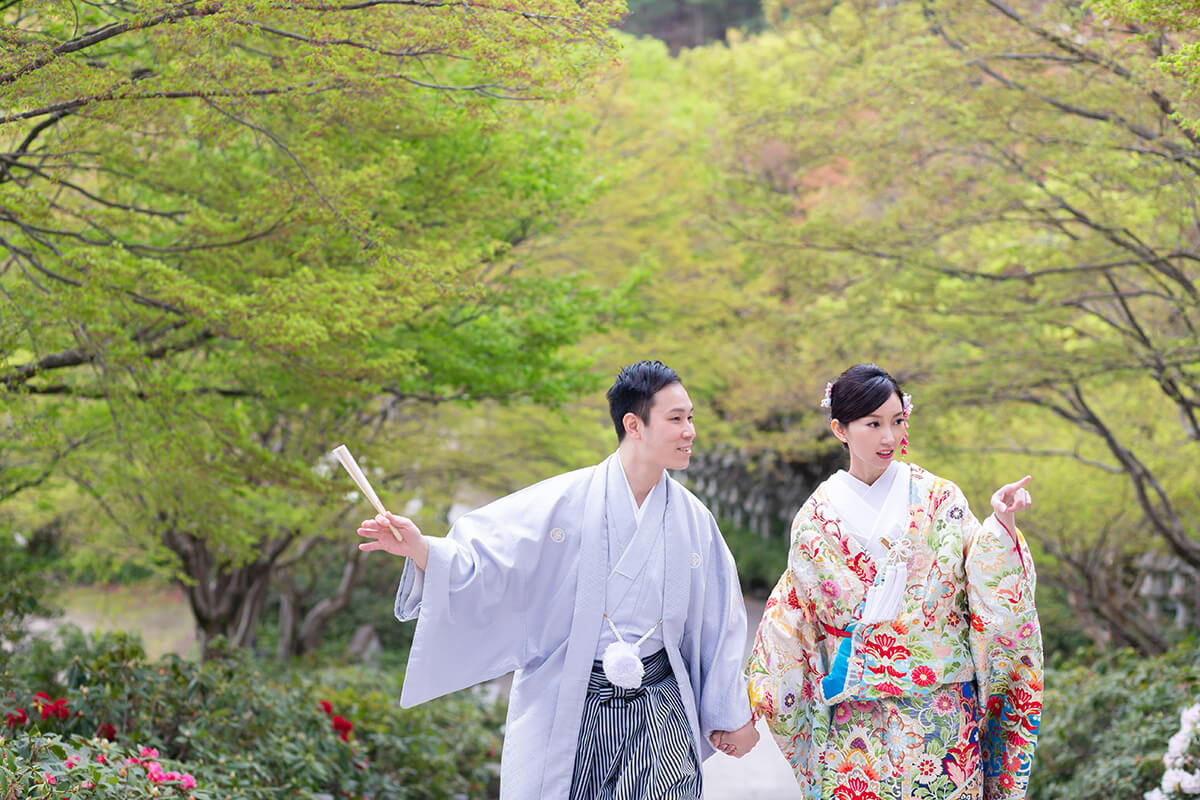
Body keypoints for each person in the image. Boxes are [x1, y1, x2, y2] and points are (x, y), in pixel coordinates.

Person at [357, 360, 758, 800]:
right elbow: (489, 560)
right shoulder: (562, 503)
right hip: (575, 699)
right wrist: (422, 549)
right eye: (676, 418)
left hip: (660, 703)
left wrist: (728, 712)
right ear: (634, 425)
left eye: (691, 418)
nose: (690, 431)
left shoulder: (693, 519)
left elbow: (721, 621)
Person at [746, 363, 1043, 800]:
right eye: (873, 424)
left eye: (897, 421)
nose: (889, 437)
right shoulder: (814, 520)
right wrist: (759, 697)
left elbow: (985, 579)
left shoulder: (940, 498)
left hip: (941, 714)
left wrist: (1001, 523)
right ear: (840, 429)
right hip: (856, 720)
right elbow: (791, 622)